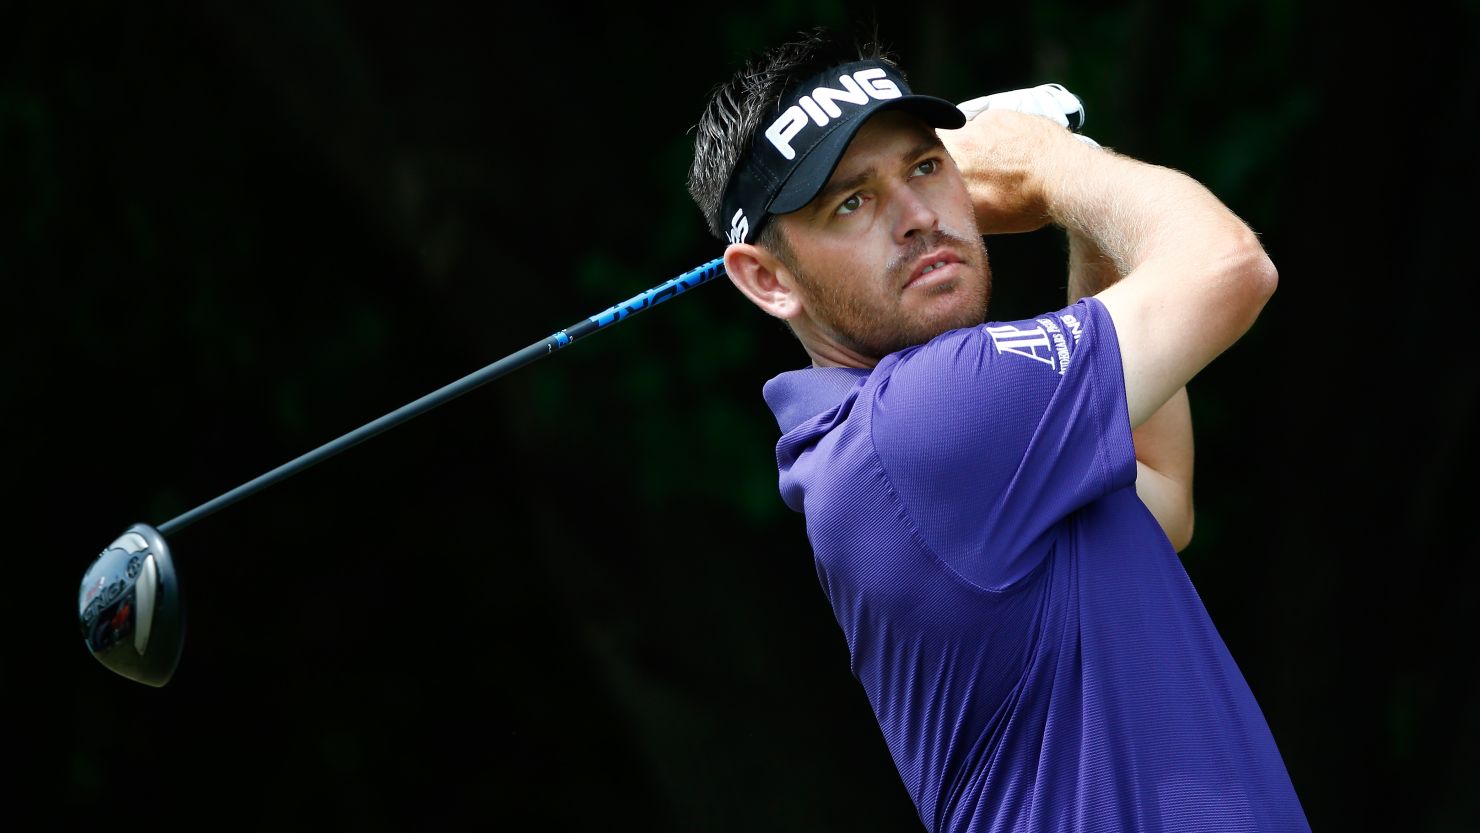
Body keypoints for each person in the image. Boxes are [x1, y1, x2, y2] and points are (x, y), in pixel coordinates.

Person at [686, 26, 1310, 833]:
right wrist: (1050, 166)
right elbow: (1231, 267)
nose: (915, 216)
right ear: (767, 278)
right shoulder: (921, 420)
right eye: (852, 200)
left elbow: (1160, 491)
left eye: (926, 166)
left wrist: (1079, 210)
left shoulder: (924, 448)